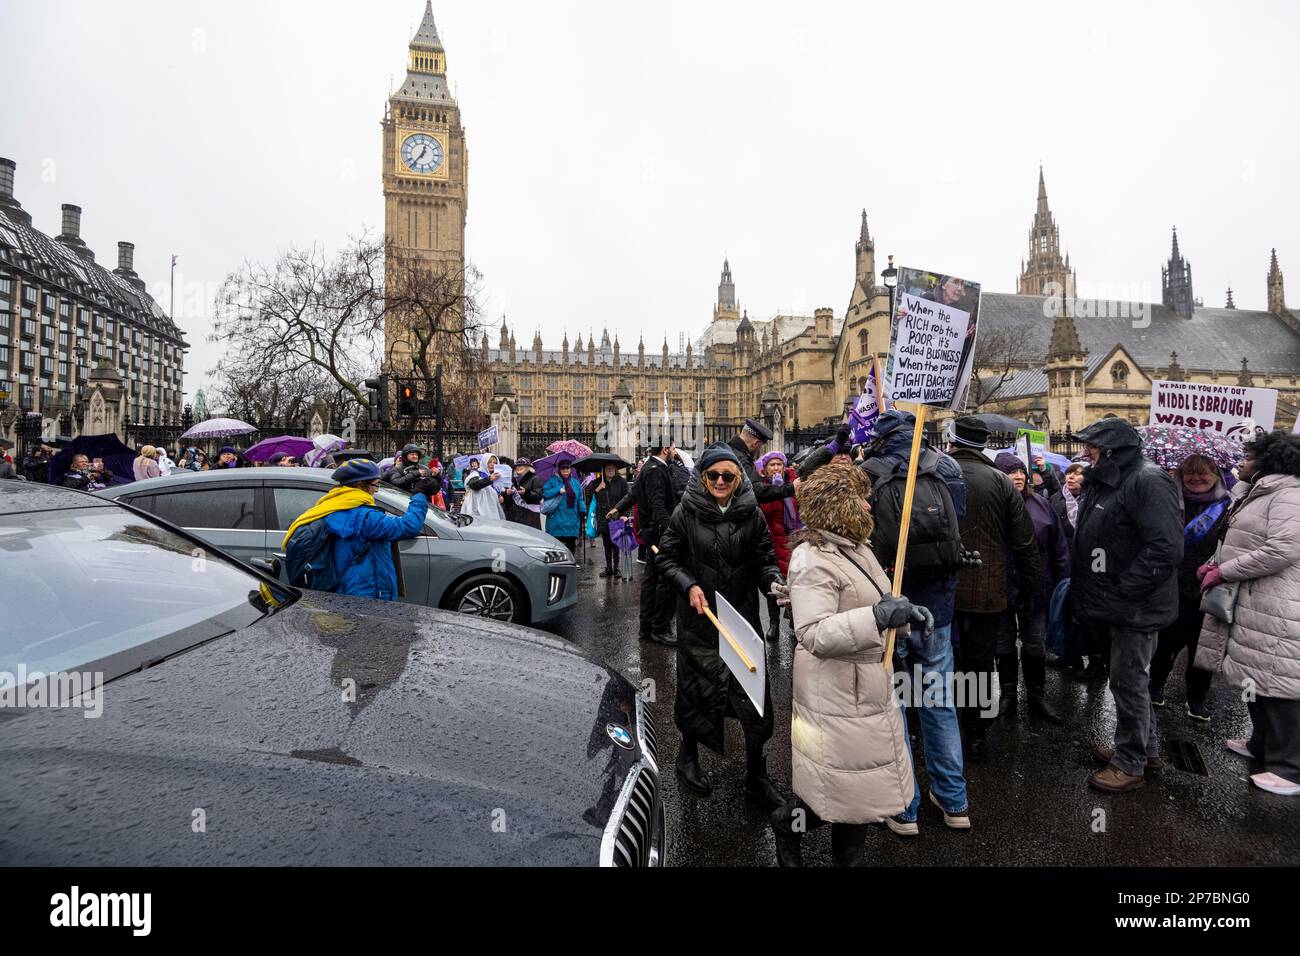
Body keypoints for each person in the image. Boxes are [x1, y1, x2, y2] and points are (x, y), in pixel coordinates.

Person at [769, 463, 927, 866]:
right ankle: (789, 825)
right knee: (843, 793)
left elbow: (875, 602)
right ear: (838, 506)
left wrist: (905, 615)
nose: (868, 503)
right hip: (837, 695)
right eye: (860, 497)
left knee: (851, 795)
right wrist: (877, 617)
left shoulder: (856, 548)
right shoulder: (812, 558)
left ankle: (795, 827)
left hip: (866, 689)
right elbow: (815, 633)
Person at [656, 442, 785, 809]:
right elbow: (666, 559)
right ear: (703, 476)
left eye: (728, 475)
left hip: (741, 619)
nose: (720, 480)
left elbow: (764, 560)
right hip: (700, 620)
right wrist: (689, 584)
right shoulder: (685, 512)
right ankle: (688, 757)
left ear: (739, 477)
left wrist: (774, 582)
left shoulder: (752, 514)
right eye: (713, 474)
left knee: (754, 698)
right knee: (697, 692)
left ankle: (757, 775)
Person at [861, 409, 971, 832]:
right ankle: (953, 801)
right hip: (938, 608)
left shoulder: (868, 471)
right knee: (939, 702)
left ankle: (904, 806)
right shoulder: (947, 466)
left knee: (894, 706)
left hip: (890, 605)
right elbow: (959, 526)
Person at [1069, 418, 1183, 794]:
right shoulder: (1110, 479)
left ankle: (1130, 762)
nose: (1086, 453)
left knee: (1128, 682)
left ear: (1114, 451)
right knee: (1129, 681)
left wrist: (1122, 592)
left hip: (1135, 607)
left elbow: (1164, 549)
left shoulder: (1147, 481)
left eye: (1093, 447)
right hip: (1117, 603)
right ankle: (1143, 749)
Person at [1194, 431, 1300, 796]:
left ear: (1270, 461)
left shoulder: (1289, 496)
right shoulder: (1257, 493)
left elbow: (1282, 550)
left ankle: (1290, 769)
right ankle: (1261, 745)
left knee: (1280, 684)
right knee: (1255, 677)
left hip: (1278, 606)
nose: (1241, 462)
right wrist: (1213, 562)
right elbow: (1235, 540)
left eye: (1249, 457)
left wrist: (1224, 571)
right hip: (1254, 600)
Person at [948, 416, 1041, 762]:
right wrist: (1032, 589)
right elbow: (1025, 543)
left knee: (940, 660)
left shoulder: (934, 474)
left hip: (941, 588)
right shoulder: (1002, 483)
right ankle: (976, 733)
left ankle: (939, 729)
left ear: (953, 440)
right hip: (988, 589)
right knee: (979, 661)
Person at [1149, 453, 1230, 719]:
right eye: (1190, 473)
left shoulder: (1228, 506)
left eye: (1203, 473)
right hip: (1173, 583)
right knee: (1167, 642)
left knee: (1203, 648)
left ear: (1215, 475)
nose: (1196, 478)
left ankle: (1197, 699)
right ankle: (1155, 686)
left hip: (1210, 586)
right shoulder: (1168, 501)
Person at [281, 458, 432, 601]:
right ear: (361, 484)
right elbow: (409, 526)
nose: (375, 491)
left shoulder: (331, 506)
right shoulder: (364, 517)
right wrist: (420, 494)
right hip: (368, 593)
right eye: (375, 485)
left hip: (346, 589)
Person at [993, 452, 1069, 724]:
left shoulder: (1042, 504)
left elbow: (1058, 546)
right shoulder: (993, 505)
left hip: (1035, 588)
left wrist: (1062, 582)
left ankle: (1037, 695)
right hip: (1001, 588)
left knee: (1034, 642)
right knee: (1003, 643)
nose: (1018, 476)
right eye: (1011, 471)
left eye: (1021, 471)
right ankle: (1008, 694)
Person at [633, 441, 680, 646]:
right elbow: (658, 504)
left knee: (651, 579)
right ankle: (659, 627)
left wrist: (618, 508)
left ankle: (647, 627)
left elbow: (633, 494)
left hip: (652, 532)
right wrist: (672, 531)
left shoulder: (649, 468)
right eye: (673, 447)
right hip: (659, 534)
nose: (675, 451)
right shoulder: (656, 471)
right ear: (665, 449)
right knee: (665, 581)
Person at [756, 451, 798, 641]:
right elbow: (764, 512)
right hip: (773, 542)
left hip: (792, 542)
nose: (775, 468)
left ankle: (795, 620)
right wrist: (775, 491)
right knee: (774, 586)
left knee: (796, 584)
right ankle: (774, 623)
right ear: (764, 469)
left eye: (778, 464)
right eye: (771, 465)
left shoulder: (793, 485)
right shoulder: (763, 488)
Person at [727, 418, 800, 505]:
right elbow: (757, 492)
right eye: (760, 446)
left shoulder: (730, 451)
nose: (759, 450)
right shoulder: (742, 459)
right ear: (755, 443)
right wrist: (791, 488)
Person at [587, 462, 629, 577]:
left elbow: (627, 499)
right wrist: (598, 489)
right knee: (606, 544)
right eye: (608, 469)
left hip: (617, 516)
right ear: (603, 471)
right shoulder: (597, 482)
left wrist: (624, 514)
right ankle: (608, 568)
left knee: (615, 543)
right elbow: (589, 498)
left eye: (612, 469)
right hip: (603, 516)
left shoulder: (622, 482)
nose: (610, 471)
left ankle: (616, 568)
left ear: (615, 470)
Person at [542, 459, 586, 556]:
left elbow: (580, 499)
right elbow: (545, 494)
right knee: (556, 547)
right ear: (559, 470)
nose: (565, 471)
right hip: (556, 520)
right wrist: (558, 490)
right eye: (563, 469)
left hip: (572, 519)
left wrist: (583, 511)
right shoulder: (552, 480)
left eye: (568, 468)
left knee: (571, 546)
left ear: (570, 469)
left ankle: (569, 565)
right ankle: (557, 567)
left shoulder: (575, 482)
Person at [461, 454, 505, 521]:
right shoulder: (476, 474)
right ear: (484, 462)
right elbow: (474, 485)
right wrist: (489, 479)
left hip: (492, 511)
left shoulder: (496, 477)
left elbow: (495, 491)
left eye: (495, 463)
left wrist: (500, 496)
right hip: (477, 512)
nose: (492, 464)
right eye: (490, 462)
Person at [503, 457, 543, 528]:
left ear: (528, 467)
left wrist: (526, 493)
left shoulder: (534, 478)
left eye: (521, 465)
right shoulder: (513, 481)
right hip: (514, 518)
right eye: (516, 466)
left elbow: (538, 496)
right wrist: (507, 494)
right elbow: (509, 503)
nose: (518, 467)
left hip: (529, 518)